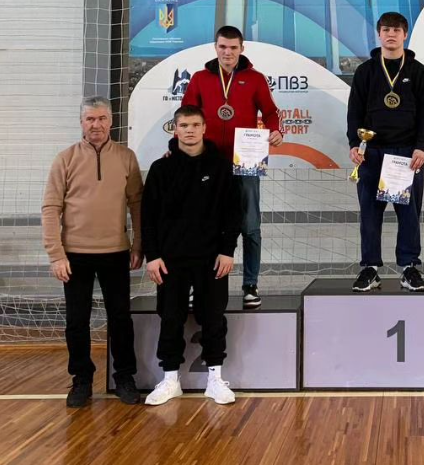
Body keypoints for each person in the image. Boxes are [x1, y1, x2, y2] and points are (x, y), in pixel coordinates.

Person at [42, 95, 143, 407]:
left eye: (101, 118)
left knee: (120, 318)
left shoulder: (126, 157)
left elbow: (137, 204)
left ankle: (124, 377)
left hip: (116, 252)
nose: (96, 125)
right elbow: (50, 208)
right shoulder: (65, 159)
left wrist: (139, 244)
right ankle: (81, 380)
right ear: (81, 123)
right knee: (77, 321)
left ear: (111, 121)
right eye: (90, 119)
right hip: (74, 256)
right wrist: (56, 254)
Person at [141, 105, 241, 405]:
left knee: (213, 316)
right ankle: (170, 379)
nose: (189, 130)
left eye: (195, 125)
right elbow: (148, 217)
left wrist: (227, 250)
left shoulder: (221, 167)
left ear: (204, 128)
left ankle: (215, 379)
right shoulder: (161, 169)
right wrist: (152, 256)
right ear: (175, 130)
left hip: (212, 259)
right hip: (170, 260)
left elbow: (233, 213)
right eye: (183, 125)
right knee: (170, 317)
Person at [182, 25, 283, 309]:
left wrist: (276, 130)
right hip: (209, 161)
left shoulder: (255, 78)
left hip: (246, 161)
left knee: (250, 225)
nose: (227, 52)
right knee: (203, 224)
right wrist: (176, 147)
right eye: (222, 47)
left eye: (233, 47)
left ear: (242, 49)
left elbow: (271, 112)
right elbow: (186, 115)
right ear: (215, 47)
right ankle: (198, 284)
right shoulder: (200, 78)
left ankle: (250, 285)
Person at [347, 12, 424, 292]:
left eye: (396, 30)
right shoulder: (366, 71)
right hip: (372, 152)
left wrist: (421, 146)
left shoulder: (419, 72)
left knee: (408, 215)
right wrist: (354, 143)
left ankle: (409, 268)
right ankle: (370, 268)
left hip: (406, 155)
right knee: (370, 214)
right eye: (386, 29)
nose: (391, 34)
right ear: (379, 34)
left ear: (405, 35)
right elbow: (354, 112)